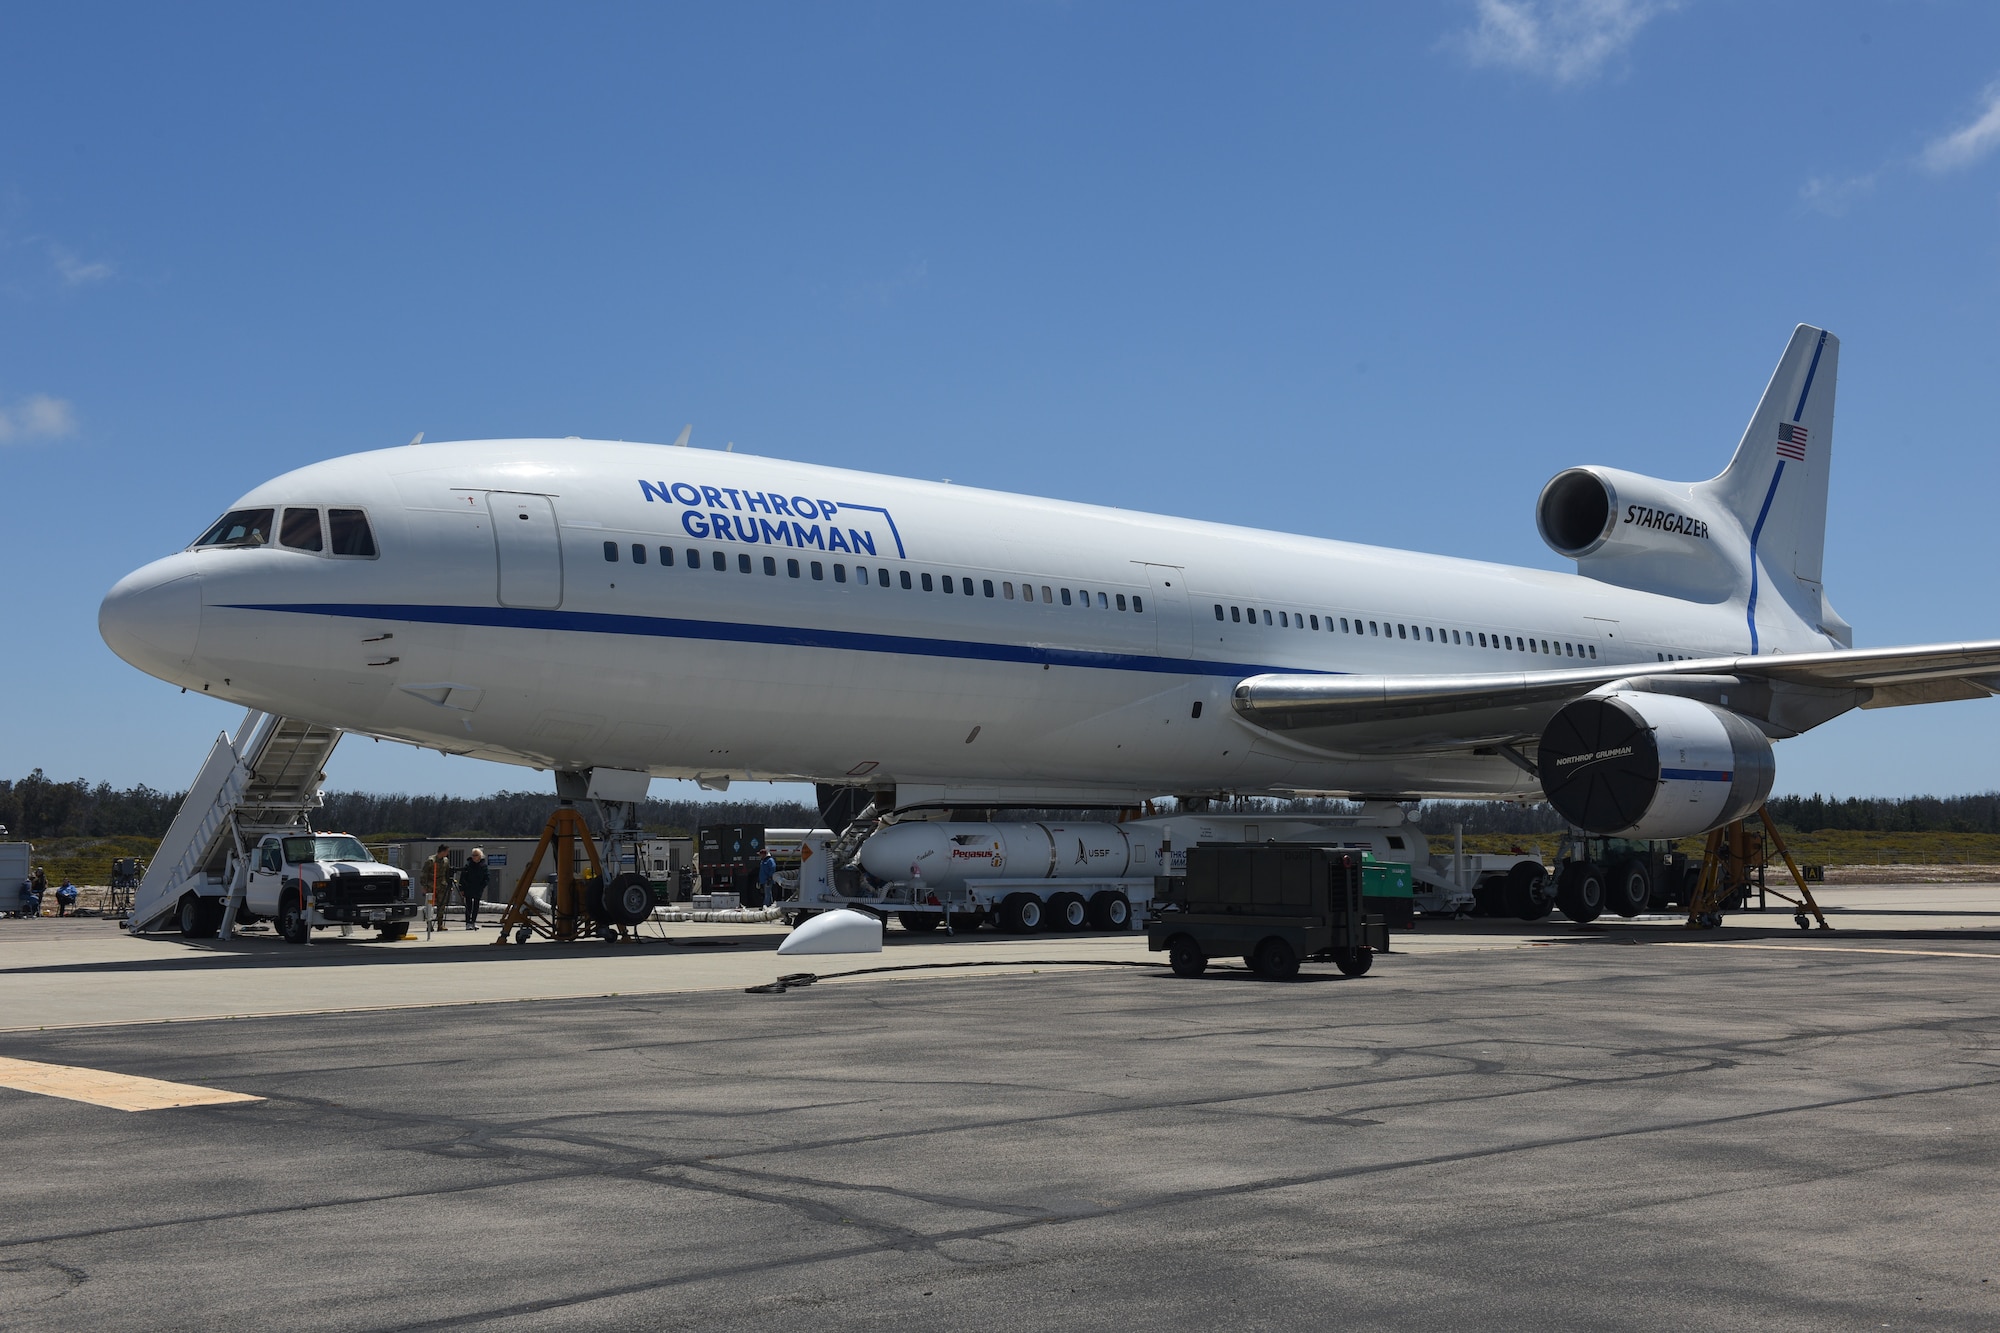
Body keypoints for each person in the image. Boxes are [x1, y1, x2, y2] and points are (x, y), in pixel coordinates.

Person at [423, 845, 454, 931]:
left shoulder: (446, 861)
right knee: (430, 906)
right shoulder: (431, 860)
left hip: (442, 886)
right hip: (431, 886)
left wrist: (449, 885)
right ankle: (429, 925)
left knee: (442, 906)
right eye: (447, 851)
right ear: (442, 851)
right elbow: (424, 873)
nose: (448, 853)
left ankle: (440, 925)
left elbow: (447, 873)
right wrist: (424, 886)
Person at [458, 848, 489, 929]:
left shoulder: (483, 866)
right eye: (473, 855)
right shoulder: (468, 865)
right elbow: (462, 878)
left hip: (478, 888)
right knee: (468, 906)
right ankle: (468, 923)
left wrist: (482, 886)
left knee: (476, 906)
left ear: (480, 856)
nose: (474, 857)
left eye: (476, 855)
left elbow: (487, 877)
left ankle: (473, 922)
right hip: (468, 888)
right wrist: (462, 889)